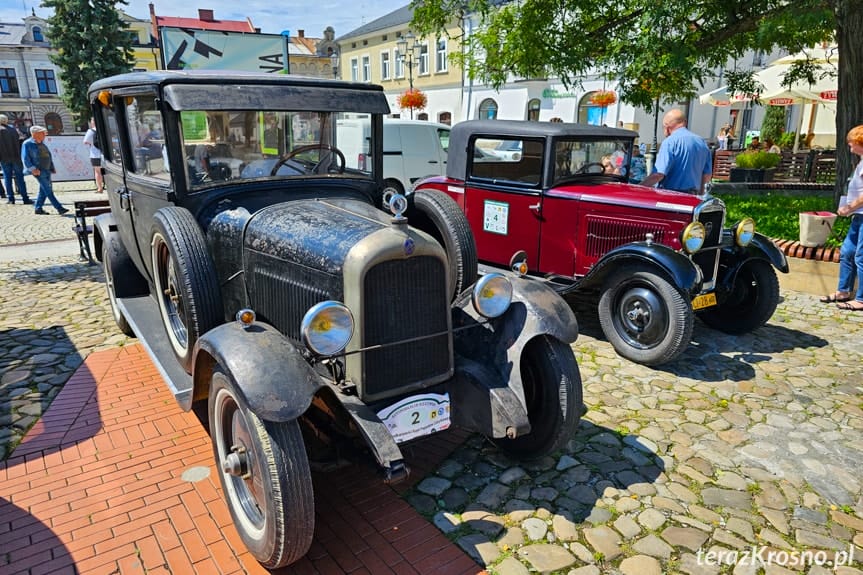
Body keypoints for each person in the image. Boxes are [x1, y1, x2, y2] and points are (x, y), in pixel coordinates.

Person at [821, 125, 863, 311]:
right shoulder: (861, 162)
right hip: (858, 216)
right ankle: (843, 290)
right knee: (847, 252)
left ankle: (861, 299)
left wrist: (849, 207)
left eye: (852, 143)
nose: (849, 146)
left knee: (861, 257)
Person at [639, 109, 712, 194]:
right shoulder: (701, 142)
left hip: (671, 195)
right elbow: (707, 175)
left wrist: (638, 188)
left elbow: (658, 174)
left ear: (666, 127)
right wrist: (701, 196)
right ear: (685, 122)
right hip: (693, 195)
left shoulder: (670, 142)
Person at [21, 125, 67, 215]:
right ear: (35, 134)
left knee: (43, 190)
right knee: (48, 189)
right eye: (42, 133)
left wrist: (51, 167)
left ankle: (38, 208)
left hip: (47, 170)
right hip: (38, 170)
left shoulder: (42, 143)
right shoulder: (27, 144)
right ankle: (59, 208)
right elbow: (25, 158)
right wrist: (33, 169)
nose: (44, 135)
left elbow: (48, 156)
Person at [0, 114, 31, 204]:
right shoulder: (13, 130)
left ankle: (11, 199)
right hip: (16, 157)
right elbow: (20, 142)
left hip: (4, 158)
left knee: (7, 178)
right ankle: (25, 198)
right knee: (20, 178)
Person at [82, 118, 104, 193]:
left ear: (93, 122)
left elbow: (85, 142)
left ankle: (100, 188)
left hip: (95, 154)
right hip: (105, 154)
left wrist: (91, 143)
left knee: (97, 171)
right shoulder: (104, 129)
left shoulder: (90, 131)